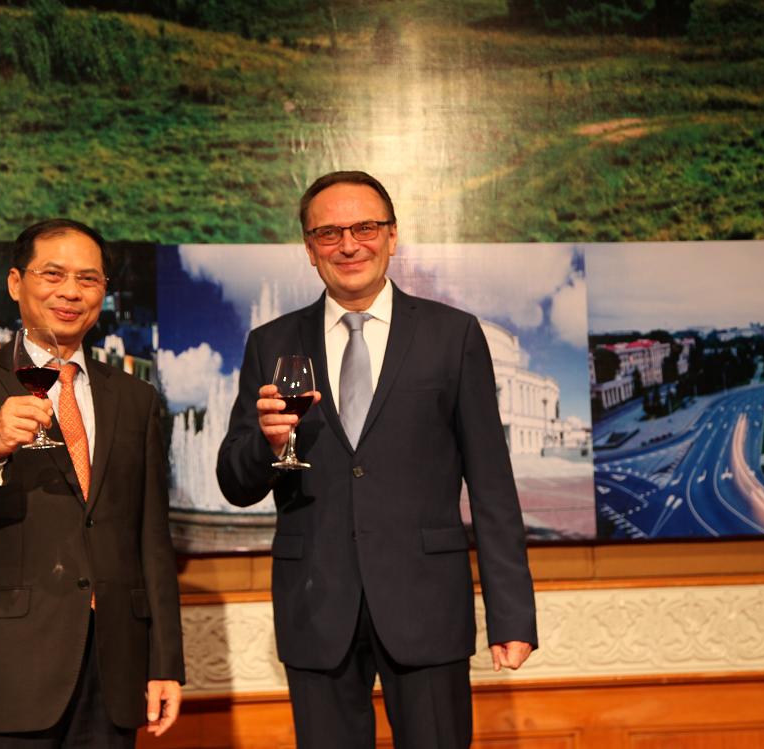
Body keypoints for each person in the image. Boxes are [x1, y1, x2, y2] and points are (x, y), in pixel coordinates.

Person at [216, 171, 537, 749]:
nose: (348, 244)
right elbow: (235, 483)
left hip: (427, 605)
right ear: (309, 248)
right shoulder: (271, 343)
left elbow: (492, 484)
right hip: (315, 606)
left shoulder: (453, 335)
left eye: (364, 227)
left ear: (392, 236)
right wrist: (268, 445)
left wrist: (511, 614)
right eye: (329, 233)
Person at [0, 219, 184, 747]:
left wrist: (164, 662)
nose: (70, 291)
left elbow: (152, 541)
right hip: (2, 673)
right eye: (53, 274)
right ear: (15, 283)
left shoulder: (135, 399)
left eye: (88, 279)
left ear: (103, 292)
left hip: (113, 674)